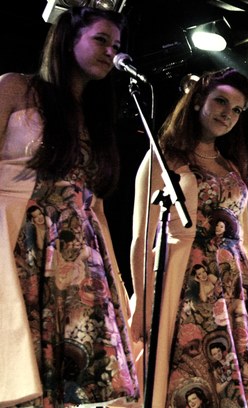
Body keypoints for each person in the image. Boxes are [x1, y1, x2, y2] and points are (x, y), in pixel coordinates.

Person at [130, 67, 248, 407]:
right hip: (184, 281)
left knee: (238, 383)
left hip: (236, 287)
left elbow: (246, 242)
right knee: (189, 371)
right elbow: (141, 237)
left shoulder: (231, 166)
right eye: (221, 101)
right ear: (198, 101)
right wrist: (141, 302)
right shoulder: (165, 158)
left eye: (237, 109)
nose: (228, 114)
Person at [0, 6, 139, 406]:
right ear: (68, 39)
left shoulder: (94, 117)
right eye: (101, 40)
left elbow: (96, 206)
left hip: (79, 254)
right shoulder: (16, 87)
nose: (111, 52)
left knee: (72, 382)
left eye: (116, 45)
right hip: (21, 240)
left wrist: (114, 282)